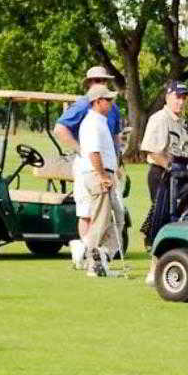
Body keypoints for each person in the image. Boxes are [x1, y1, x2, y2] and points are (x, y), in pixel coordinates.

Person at [53, 66, 123, 244]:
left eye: (103, 80)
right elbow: (60, 129)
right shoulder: (84, 104)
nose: (101, 83)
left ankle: (97, 252)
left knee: (112, 212)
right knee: (86, 213)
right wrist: (81, 149)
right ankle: (87, 253)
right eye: (97, 80)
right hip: (89, 164)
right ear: (90, 83)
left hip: (108, 165)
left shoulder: (112, 107)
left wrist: (118, 163)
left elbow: (116, 136)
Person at [140, 80, 188, 285]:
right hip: (162, 175)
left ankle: (174, 263)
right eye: (177, 97)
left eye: (183, 98)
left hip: (182, 177)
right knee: (163, 220)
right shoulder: (160, 119)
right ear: (167, 97)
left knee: (181, 220)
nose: (180, 101)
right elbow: (153, 151)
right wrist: (172, 168)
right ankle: (154, 269)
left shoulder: (182, 122)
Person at [78, 84, 123, 277]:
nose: (112, 103)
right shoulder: (93, 123)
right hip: (99, 175)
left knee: (118, 218)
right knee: (101, 220)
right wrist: (103, 175)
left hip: (104, 173)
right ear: (97, 102)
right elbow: (93, 152)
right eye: (108, 100)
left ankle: (102, 257)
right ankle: (91, 262)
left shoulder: (100, 121)